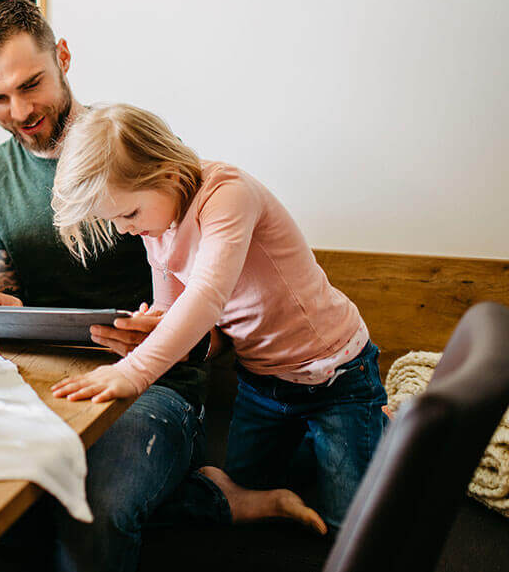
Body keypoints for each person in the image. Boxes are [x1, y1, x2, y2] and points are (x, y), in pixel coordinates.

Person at [0, 0, 320, 572]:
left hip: (159, 387)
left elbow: (216, 311)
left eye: (31, 85)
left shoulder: (130, 148)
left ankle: (210, 492)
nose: (20, 110)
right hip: (43, 381)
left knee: (90, 509)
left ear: (65, 58)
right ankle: (215, 498)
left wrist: (171, 344)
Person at [51, 102, 387, 533]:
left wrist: (134, 371)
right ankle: (349, 437)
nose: (123, 230)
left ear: (168, 175)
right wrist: (149, 328)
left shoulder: (228, 195)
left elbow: (207, 296)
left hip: (336, 373)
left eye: (128, 214)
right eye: (113, 220)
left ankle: (378, 427)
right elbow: (179, 317)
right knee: (241, 492)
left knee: (350, 524)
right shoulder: (157, 226)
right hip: (262, 381)